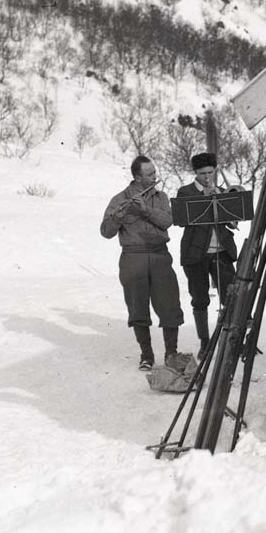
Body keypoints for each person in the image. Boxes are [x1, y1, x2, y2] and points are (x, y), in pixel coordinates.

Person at [100, 155, 187, 371]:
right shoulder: (119, 199)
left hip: (160, 256)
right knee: (138, 309)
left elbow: (168, 221)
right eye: (150, 174)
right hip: (133, 257)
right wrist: (118, 217)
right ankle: (146, 355)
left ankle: (171, 354)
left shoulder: (161, 197)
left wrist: (145, 210)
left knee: (170, 306)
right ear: (137, 178)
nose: (155, 176)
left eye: (154, 172)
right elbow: (106, 232)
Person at [173, 152, 238, 358]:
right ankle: (205, 342)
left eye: (211, 172)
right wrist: (205, 199)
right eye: (203, 173)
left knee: (231, 297)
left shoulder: (221, 190)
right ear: (195, 173)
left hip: (221, 252)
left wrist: (232, 217)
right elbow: (182, 220)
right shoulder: (185, 192)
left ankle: (233, 341)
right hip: (196, 254)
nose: (208, 177)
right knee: (199, 299)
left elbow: (231, 221)